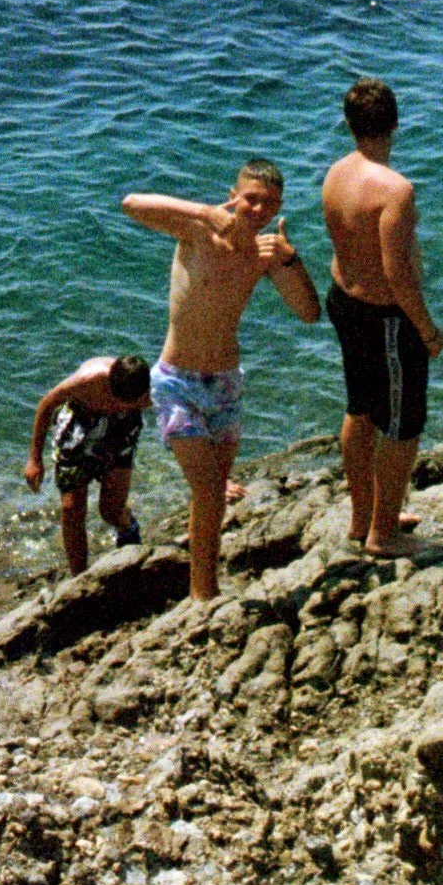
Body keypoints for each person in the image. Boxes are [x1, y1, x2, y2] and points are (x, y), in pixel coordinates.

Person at [121, 162, 321, 601]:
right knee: (210, 490)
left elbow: (309, 313)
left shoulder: (266, 253)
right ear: (233, 192)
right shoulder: (197, 231)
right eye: (250, 197)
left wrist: (291, 259)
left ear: (279, 207)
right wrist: (205, 212)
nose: (257, 208)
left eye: (268, 202)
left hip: (227, 385)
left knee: (209, 498)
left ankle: (204, 585)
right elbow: (131, 204)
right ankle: (202, 598)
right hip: (176, 382)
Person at [320, 76, 443, 556]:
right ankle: (384, 533)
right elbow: (398, 275)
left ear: (349, 125)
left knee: (361, 410)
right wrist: (427, 329)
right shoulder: (395, 189)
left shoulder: (335, 173)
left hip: (344, 303)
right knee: (403, 424)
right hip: (387, 319)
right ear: (394, 123)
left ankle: (363, 517)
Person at [24, 351, 152, 573]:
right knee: (71, 508)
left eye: (130, 403)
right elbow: (46, 405)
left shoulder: (153, 391)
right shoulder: (87, 381)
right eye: (116, 400)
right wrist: (35, 459)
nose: (118, 405)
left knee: (110, 511)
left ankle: (128, 528)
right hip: (80, 425)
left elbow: (184, 426)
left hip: (121, 429)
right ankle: (79, 576)